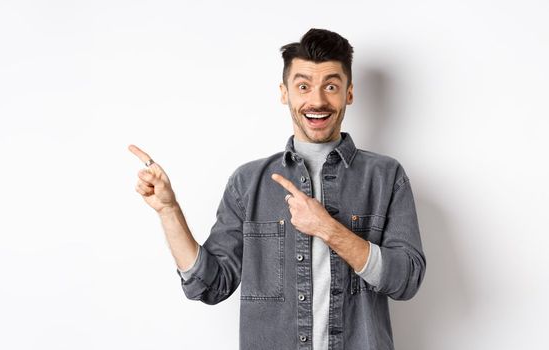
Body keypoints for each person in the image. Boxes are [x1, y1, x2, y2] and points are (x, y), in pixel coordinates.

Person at [128, 28, 426, 350]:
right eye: (303, 86)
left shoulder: (386, 176)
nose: (317, 100)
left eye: (331, 86)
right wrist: (169, 211)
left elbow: (406, 280)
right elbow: (210, 286)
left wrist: (327, 228)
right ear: (285, 93)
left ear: (348, 94)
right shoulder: (247, 182)